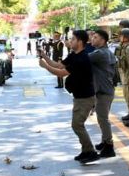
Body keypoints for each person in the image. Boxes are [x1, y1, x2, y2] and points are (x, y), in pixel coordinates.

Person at [38, 30, 100, 164]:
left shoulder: (82, 58)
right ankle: (86, 151)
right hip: (79, 96)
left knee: (77, 125)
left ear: (80, 42)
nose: (70, 41)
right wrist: (45, 57)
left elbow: (61, 73)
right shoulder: (74, 55)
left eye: (73, 39)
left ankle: (90, 152)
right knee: (77, 124)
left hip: (85, 97)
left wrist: (45, 67)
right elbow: (59, 65)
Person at [88, 29, 117, 158]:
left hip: (103, 91)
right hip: (107, 89)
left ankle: (109, 146)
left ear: (103, 40)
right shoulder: (106, 52)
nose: (92, 39)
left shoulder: (99, 54)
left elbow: (83, 58)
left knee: (103, 119)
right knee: (101, 118)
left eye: (95, 37)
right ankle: (104, 141)